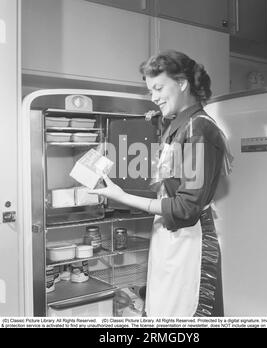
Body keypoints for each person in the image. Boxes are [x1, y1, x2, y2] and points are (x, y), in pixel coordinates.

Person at [90, 50, 233, 317]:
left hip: (190, 241)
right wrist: (149, 122)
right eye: (149, 90)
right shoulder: (180, 125)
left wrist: (121, 196)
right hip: (170, 238)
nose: (153, 97)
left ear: (182, 83)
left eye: (158, 88)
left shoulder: (198, 130)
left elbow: (186, 207)